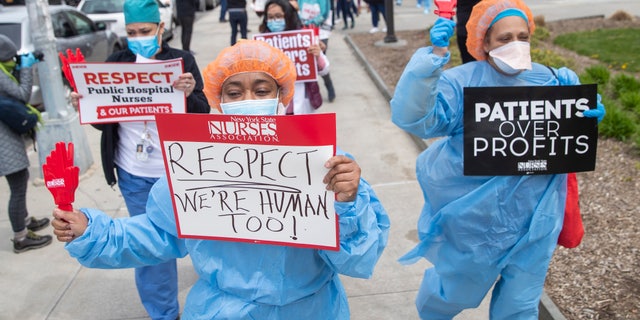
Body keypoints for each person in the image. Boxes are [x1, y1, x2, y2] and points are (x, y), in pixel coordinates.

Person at [52, 39, 390, 319]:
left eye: (261, 91)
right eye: (234, 93)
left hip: (313, 310)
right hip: (222, 311)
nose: (248, 102)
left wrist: (347, 203)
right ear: (219, 100)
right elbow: (157, 235)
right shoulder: (197, 166)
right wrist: (92, 232)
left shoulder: (327, 163)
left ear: (281, 97)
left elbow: (359, 259)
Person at [389, 0, 605, 318]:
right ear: (484, 42)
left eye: (523, 36)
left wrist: (583, 115)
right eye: (504, 38)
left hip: (537, 218)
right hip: (477, 222)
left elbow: (565, 139)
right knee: (452, 295)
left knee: (520, 306)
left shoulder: (552, 82)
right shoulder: (461, 83)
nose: (516, 44)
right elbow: (414, 117)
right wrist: (433, 58)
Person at [69, 0, 210, 319]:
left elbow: (203, 114)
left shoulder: (182, 61)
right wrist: (86, 104)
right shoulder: (116, 62)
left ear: (161, 29)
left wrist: (189, 94)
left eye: (145, 31)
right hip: (135, 175)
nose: (138, 37)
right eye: (132, 32)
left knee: (203, 240)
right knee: (151, 252)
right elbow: (104, 120)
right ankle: (164, 313)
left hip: (180, 173)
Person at [0, 34, 52, 254]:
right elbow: (22, 95)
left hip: (6, 136)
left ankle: (26, 220)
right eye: (11, 57)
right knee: (19, 185)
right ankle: (21, 237)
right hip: (3, 141)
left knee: (20, 181)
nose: (14, 60)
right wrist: (26, 68)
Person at [259, 0, 331, 114]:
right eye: (270, 17)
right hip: (275, 106)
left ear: (288, 16)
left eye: (278, 16)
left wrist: (317, 56)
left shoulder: (304, 37)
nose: (274, 21)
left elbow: (325, 69)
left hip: (302, 102)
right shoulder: (262, 43)